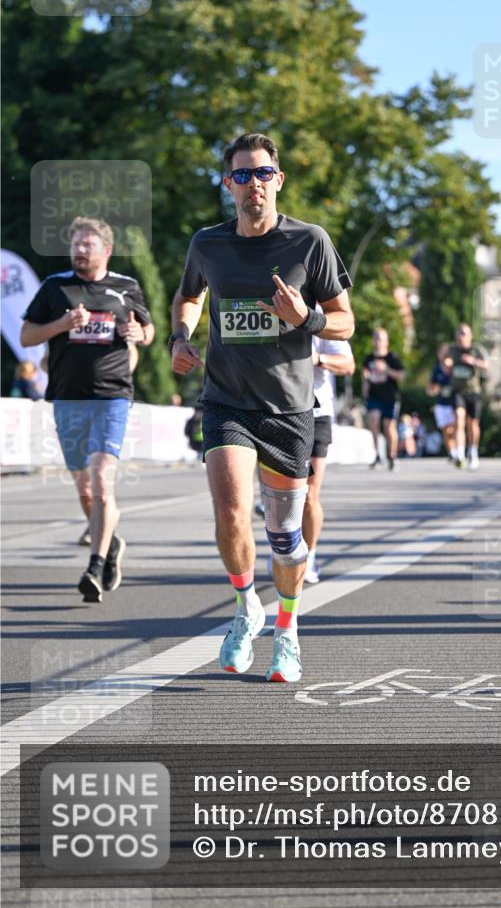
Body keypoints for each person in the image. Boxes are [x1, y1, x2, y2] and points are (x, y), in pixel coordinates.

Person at [170, 132, 353, 683]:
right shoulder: (208, 244)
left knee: (286, 539)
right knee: (229, 513)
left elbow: (346, 321)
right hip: (226, 401)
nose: (254, 184)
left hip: (289, 411)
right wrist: (181, 336)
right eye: (242, 175)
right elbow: (189, 296)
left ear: (279, 179)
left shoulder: (309, 242)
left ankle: (289, 628)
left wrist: (308, 320)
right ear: (229, 185)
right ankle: (246, 604)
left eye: (263, 173)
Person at [20, 216, 155, 600]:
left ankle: (94, 567)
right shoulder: (54, 287)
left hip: (112, 395)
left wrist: (138, 334)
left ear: (106, 251)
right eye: (75, 245)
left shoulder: (125, 287)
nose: (79, 251)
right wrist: (62, 324)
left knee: (100, 477)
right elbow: (27, 334)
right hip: (66, 397)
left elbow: (148, 330)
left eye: (87, 245)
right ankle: (110, 543)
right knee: (85, 490)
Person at [301, 331, 355, 583]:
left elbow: (348, 364)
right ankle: (285, 549)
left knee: (309, 495)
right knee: (278, 496)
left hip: (317, 411)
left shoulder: (321, 314)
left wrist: (318, 358)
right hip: (275, 410)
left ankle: (309, 554)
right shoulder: (266, 306)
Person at [442, 323, 489, 470]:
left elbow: (487, 365)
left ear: (470, 336)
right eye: (459, 334)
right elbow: (445, 364)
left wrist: (473, 361)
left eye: (464, 334)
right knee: (459, 418)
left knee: (472, 424)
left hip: (473, 392)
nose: (461, 337)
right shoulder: (452, 350)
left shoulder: (476, 349)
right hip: (458, 391)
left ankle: (473, 452)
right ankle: (460, 454)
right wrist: (446, 364)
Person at [362, 328, 405, 471]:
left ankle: (392, 456)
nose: (378, 341)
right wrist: (365, 385)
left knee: (389, 427)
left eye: (381, 338)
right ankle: (377, 454)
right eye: (376, 338)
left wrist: (386, 369)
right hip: (374, 396)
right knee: (373, 421)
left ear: (386, 341)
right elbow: (366, 377)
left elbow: (401, 376)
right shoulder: (368, 359)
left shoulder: (392, 357)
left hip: (390, 398)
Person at [426, 343, 456, 462]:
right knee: (445, 430)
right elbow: (430, 388)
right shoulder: (437, 369)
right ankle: (451, 452)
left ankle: (457, 451)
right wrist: (433, 390)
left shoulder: (454, 368)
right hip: (441, 403)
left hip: (454, 403)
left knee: (453, 429)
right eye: (441, 353)